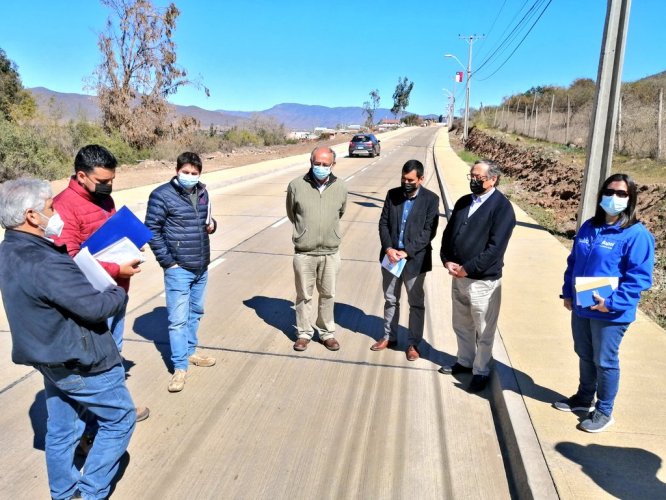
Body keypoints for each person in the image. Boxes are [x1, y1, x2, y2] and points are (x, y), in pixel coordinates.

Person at [0, 178, 135, 500]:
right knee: (120, 418)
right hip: (79, 360)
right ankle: (90, 494)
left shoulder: (10, 249)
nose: (54, 213)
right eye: (49, 208)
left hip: (50, 355)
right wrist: (116, 286)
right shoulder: (44, 261)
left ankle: (63, 493)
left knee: (63, 430)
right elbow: (93, 308)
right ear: (32, 216)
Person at [53, 144, 149, 422]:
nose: (109, 187)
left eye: (112, 181)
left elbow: (109, 236)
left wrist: (130, 246)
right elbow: (69, 260)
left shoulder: (104, 198)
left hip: (116, 291)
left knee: (113, 354)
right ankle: (91, 428)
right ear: (81, 176)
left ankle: (117, 408)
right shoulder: (64, 207)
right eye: (103, 182)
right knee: (94, 365)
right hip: (91, 299)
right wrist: (115, 267)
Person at [555, 173, 654, 433]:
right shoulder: (590, 226)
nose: (614, 198)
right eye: (609, 192)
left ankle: (604, 410)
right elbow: (574, 262)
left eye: (621, 194)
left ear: (631, 198)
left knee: (605, 360)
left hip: (610, 311)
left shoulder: (635, 234)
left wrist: (611, 303)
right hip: (583, 303)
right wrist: (568, 292)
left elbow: (639, 279)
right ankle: (583, 398)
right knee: (584, 354)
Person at [439, 159, 516, 392]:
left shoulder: (502, 208)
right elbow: (449, 233)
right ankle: (465, 360)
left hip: (483, 282)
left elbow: (495, 249)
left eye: (478, 178)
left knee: (484, 329)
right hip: (458, 277)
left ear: (493, 179)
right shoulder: (464, 202)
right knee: (461, 324)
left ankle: (481, 370)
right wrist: (447, 260)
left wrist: (468, 268)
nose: (473, 180)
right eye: (471, 176)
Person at [145, 152, 218, 393]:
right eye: (185, 172)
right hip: (179, 268)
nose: (189, 176)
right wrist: (168, 262)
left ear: (200, 174)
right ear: (177, 170)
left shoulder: (203, 192)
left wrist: (213, 225)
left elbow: (207, 221)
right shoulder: (161, 195)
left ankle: (190, 351)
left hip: (200, 265)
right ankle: (179, 367)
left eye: (194, 173)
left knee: (195, 312)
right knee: (177, 320)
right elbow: (151, 230)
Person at [372, 159, 440, 361]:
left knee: (416, 303)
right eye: (403, 178)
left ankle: (413, 344)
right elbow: (383, 223)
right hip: (391, 258)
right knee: (391, 299)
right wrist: (389, 248)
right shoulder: (392, 195)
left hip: (414, 260)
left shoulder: (431, 199)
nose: (406, 182)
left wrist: (407, 252)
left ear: (421, 179)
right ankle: (389, 336)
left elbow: (429, 231)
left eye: (410, 179)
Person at [286, 146, 348, 352]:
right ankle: (304, 333)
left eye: (325, 164)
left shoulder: (341, 187)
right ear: (310, 162)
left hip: (330, 251)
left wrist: (328, 232)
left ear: (333, 165)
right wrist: (305, 233)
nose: (321, 168)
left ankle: (326, 332)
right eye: (317, 164)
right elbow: (292, 213)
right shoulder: (296, 185)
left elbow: (340, 212)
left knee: (328, 294)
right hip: (305, 252)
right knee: (304, 295)